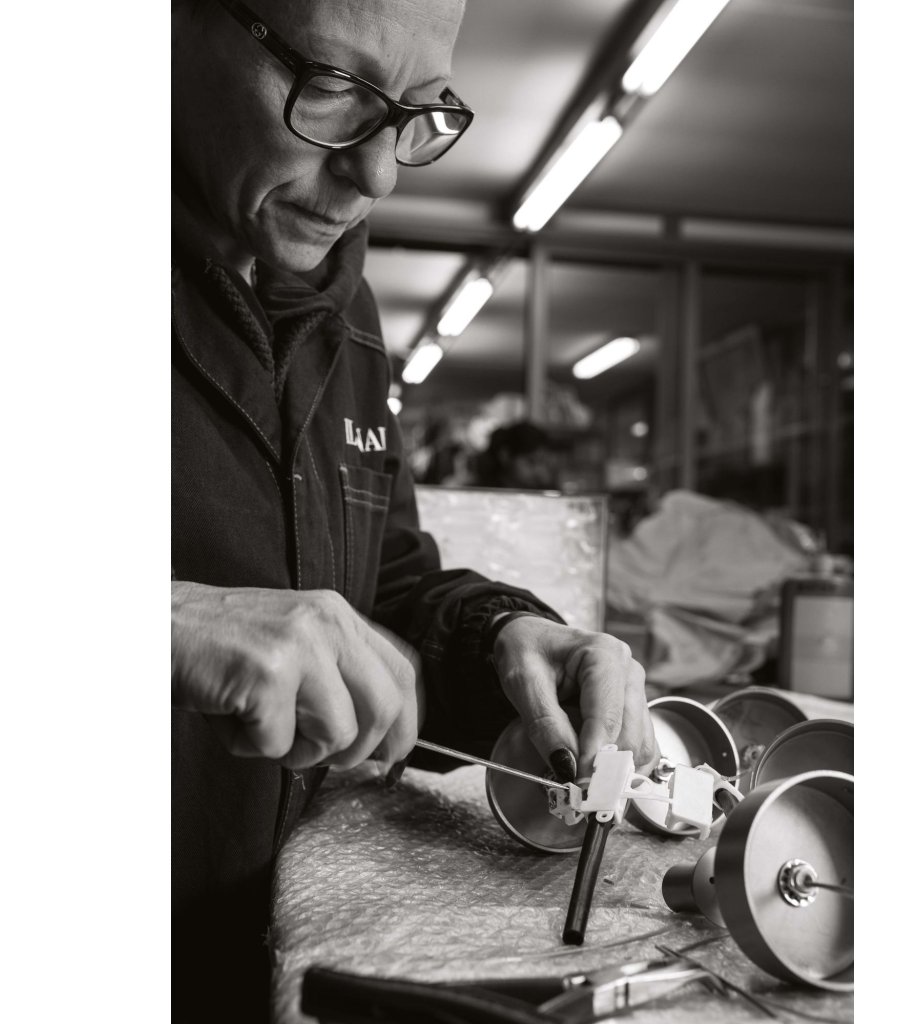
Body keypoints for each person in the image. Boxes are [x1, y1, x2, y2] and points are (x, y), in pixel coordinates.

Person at [171, 1, 657, 1020]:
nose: (378, 173)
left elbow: (381, 582)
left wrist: (505, 642)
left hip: (248, 948)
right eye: (333, 87)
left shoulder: (340, 308)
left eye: (417, 110)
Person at [472, 419, 562, 490]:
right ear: (505, 456)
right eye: (531, 462)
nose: (539, 471)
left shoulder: (539, 492)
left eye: (543, 463)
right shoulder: (482, 493)